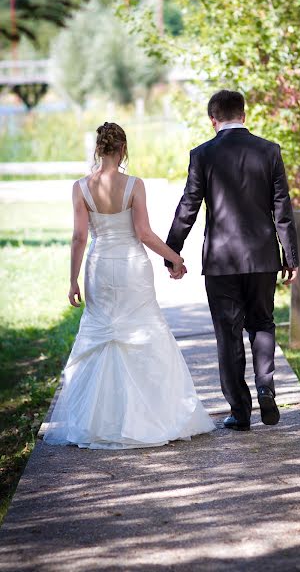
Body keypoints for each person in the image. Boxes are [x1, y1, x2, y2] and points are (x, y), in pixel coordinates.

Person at [43, 122, 215, 450]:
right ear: (123, 149)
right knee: (144, 332)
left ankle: (97, 422)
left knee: (101, 334)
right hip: (132, 268)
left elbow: (80, 236)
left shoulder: (81, 187)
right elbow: (144, 233)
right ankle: (152, 418)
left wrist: (72, 279)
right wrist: (174, 258)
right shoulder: (134, 184)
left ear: (98, 149)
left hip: (98, 266)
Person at [165, 90, 299, 432]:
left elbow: (188, 206)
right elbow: (281, 207)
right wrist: (291, 256)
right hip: (263, 257)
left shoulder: (203, 154)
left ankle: (240, 412)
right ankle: (266, 385)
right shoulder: (269, 151)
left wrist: (172, 251)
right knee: (262, 323)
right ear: (244, 114)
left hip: (221, 261)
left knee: (228, 334)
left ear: (213, 119)